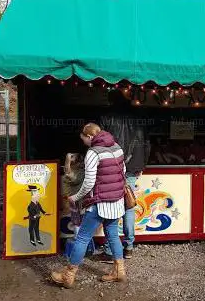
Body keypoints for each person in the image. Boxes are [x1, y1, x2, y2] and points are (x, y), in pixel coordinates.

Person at [51, 123, 127, 288]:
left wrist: (76, 197)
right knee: (113, 235)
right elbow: (123, 172)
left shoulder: (93, 153)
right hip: (116, 201)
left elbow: (89, 182)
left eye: (84, 139)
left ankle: (68, 275)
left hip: (99, 203)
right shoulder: (117, 147)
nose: (84, 142)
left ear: (90, 137)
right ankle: (119, 271)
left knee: (83, 237)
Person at [103, 93, 151, 259]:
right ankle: (129, 246)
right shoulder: (138, 117)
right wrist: (142, 163)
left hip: (111, 165)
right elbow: (146, 142)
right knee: (128, 206)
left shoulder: (107, 117)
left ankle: (111, 250)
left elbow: (101, 144)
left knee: (113, 207)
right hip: (132, 166)